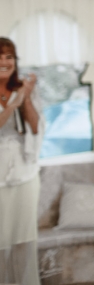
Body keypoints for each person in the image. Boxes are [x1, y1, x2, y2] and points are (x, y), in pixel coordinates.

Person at [0, 37, 43, 285]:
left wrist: (25, 97)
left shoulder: (21, 89)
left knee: (25, 239)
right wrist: (10, 106)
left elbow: (35, 128)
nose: (5, 62)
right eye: (0, 57)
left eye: (9, 57)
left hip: (25, 173)